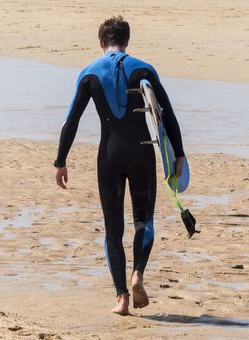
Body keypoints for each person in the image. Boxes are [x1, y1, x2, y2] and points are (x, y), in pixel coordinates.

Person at [53, 16, 185, 315]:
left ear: (101, 42)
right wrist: (179, 154)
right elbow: (168, 116)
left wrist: (60, 161)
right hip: (142, 155)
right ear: (127, 41)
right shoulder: (144, 69)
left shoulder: (89, 73)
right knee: (144, 222)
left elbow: (71, 121)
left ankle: (122, 298)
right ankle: (138, 273)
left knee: (113, 230)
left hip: (109, 157)